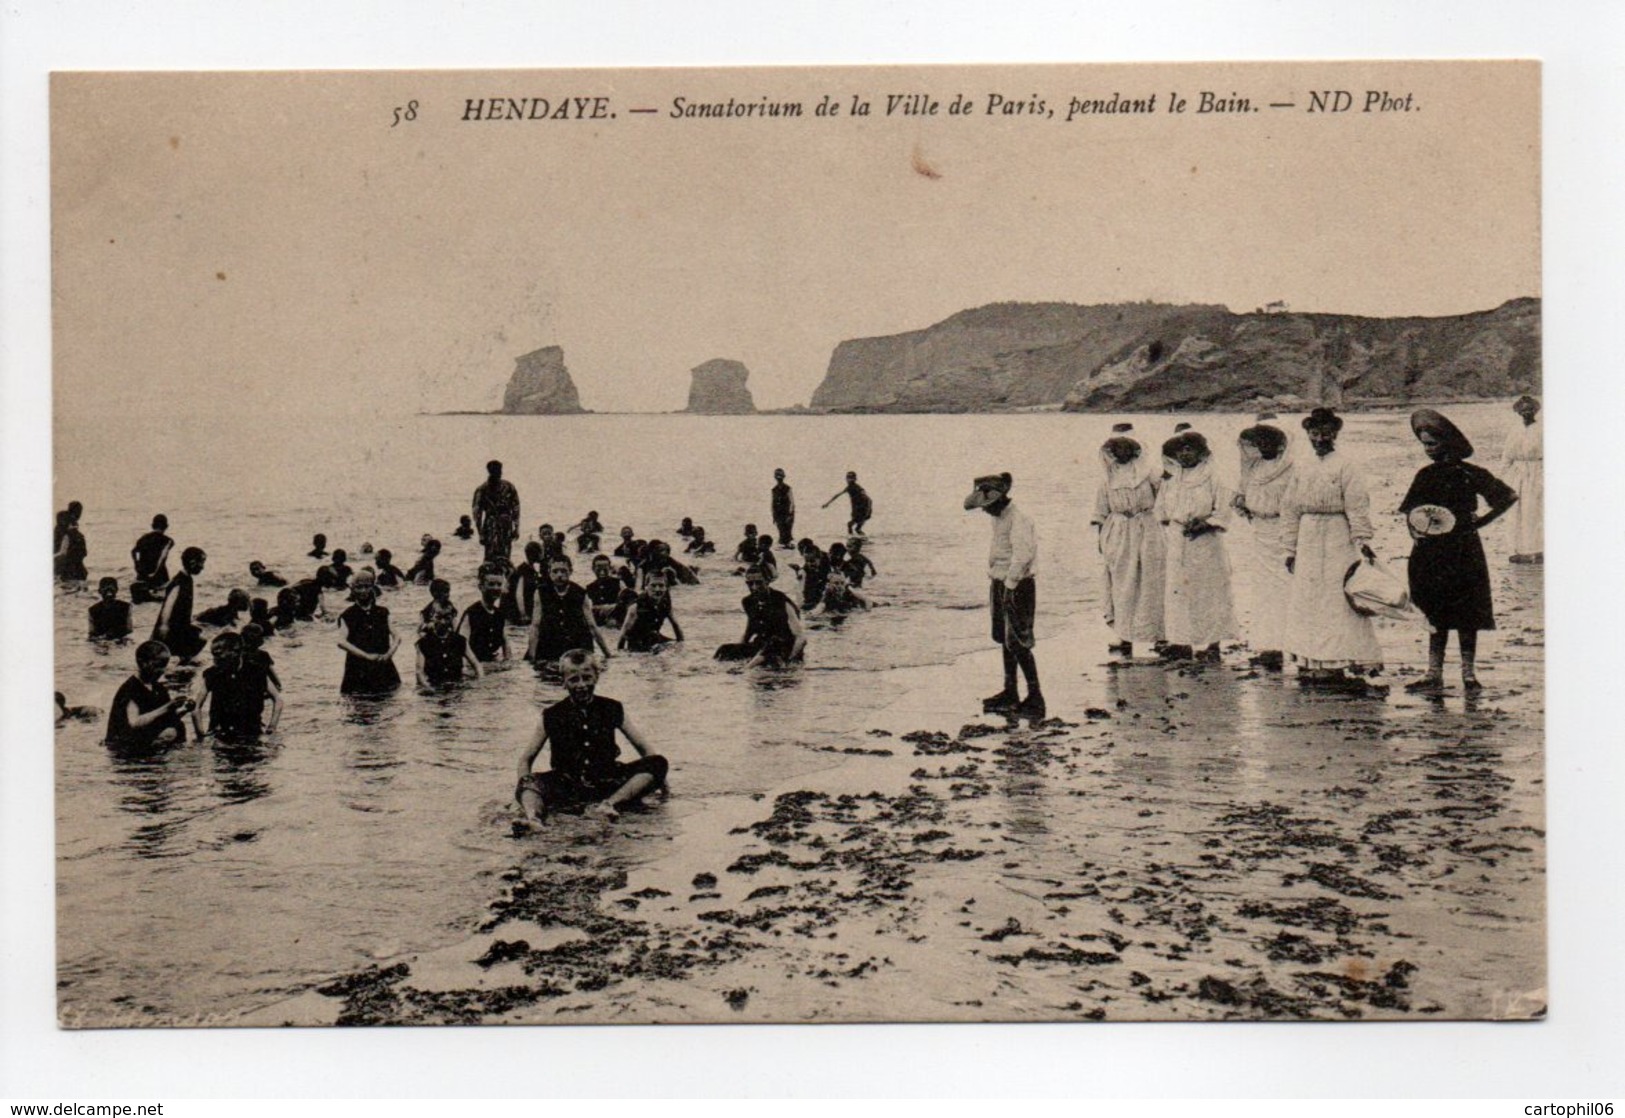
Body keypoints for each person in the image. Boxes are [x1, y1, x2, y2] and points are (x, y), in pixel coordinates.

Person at [1399, 409, 1519, 693]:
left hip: (1464, 550)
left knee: (1468, 614)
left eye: (1432, 444)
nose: (1428, 450)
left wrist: (1482, 521)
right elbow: (1411, 511)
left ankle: (1468, 674)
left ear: (1449, 442)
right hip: (1430, 552)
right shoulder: (1424, 474)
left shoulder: (1471, 473)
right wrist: (1414, 530)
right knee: (1434, 612)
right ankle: (1433, 673)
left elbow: (1508, 496)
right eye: (1424, 444)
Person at [1279, 408, 1384, 686]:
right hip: (1309, 536)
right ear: (1308, 434)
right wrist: (1290, 549)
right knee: (1308, 597)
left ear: (1335, 434)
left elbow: (1357, 505)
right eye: (1315, 433)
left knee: (1337, 597)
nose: (1320, 438)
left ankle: (1340, 659)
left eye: (1326, 432)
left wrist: (1362, 540)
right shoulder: (1301, 466)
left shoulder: (1346, 465)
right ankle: (1311, 659)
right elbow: (1289, 508)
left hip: (1339, 535)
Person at [514, 649, 670, 826]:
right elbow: (525, 760)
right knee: (529, 782)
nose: (581, 685)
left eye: (587, 678)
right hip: (566, 785)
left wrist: (662, 783)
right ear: (563, 682)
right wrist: (521, 793)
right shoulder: (551, 714)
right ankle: (533, 818)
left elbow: (643, 748)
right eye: (574, 679)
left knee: (658, 762)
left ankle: (609, 805)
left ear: (597, 677)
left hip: (608, 781)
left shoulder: (612, 707)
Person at [963, 472, 1043, 716]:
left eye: (987, 506)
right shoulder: (998, 518)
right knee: (1004, 639)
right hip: (1000, 582)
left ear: (1000, 499)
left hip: (1017, 585)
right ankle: (1011, 691)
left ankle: (1035, 697)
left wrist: (1010, 585)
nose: (985, 511)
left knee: (1018, 641)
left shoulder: (1019, 519)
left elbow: (1023, 556)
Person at [1155, 433, 1235, 664]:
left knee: (1208, 590)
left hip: (1206, 541)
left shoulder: (1214, 476)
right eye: (1180, 450)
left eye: (1190, 449)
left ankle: (1213, 642)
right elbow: (1161, 509)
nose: (1184, 454)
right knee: (1177, 591)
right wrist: (1172, 524)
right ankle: (1181, 641)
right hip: (1178, 539)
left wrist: (1206, 523)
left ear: (1201, 452)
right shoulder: (1171, 479)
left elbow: (1223, 509)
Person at [1090, 434, 1165, 659]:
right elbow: (1101, 511)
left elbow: (1166, 498)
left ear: (1134, 449)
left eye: (1126, 447)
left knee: (1152, 580)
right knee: (1122, 583)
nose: (1121, 451)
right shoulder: (1107, 478)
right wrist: (1101, 539)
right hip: (1119, 531)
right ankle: (1124, 635)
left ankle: (1160, 634)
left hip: (1148, 528)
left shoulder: (1149, 473)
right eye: (1117, 447)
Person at [1234, 423, 1295, 671]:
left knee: (1286, 588)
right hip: (1260, 532)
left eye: (1269, 442)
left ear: (1281, 444)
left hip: (1283, 530)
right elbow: (1241, 496)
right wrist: (1245, 505)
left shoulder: (1292, 469)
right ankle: (1269, 646)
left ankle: (1291, 645)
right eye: (1259, 443)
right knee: (1264, 590)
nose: (1263, 447)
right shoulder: (1254, 468)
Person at [190, 631, 282, 741]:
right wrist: (200, 734)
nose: (215, 660)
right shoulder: (212, 674)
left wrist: (272, 726)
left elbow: (277, 700)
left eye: (219, 655)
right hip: (220, 732)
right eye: (213, 655)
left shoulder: (256, 671)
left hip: (251, 730)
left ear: (236, 652)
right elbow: (196, 707)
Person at [526, 556, 613, 671]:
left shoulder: (580, 592)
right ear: (549, 572)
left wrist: (608, 654)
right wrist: (532, 656)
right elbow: (535, 625)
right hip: (550, 643)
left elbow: (592, 625)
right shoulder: (541, 592)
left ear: (571, 572)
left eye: (563, 571)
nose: (559, 575)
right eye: (555, 571)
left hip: (576, 643)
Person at [713, 565, 806, 668]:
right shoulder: (748, 601)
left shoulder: (780, 600)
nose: (754, 587)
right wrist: (740, 648)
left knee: (774, 642)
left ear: (768, 581)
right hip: (761, 646)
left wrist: (790, 660)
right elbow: (749, 631)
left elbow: (800, 637)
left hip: (781, 647)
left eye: (759, 583)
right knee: (724, 649)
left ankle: (746, 669)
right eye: (750, 583)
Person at [104, 640, 190, 750]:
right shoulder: (131, 688)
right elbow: (134, 723)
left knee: (178, 726)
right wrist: (168, 706)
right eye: (158, 666)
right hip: (125, 745)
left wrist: (183, 709)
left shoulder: (158, 688)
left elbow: (165, 718)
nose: (162, 671)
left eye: (164, 666)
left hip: (148, 739)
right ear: (142, 663)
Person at [336, 569, 401, 695]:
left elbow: (397, 636)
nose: (363, 591)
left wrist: (389, 654)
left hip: (383, 665)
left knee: (388, 705)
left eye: (367, 587)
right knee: (359, 706)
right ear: (353, 589)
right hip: (358, 669)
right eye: (359, 587)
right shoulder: (348, 615)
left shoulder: (383, 612)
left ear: (372, 587)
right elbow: (341, 642)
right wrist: (366, 656)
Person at [1500, 395, 1543, 563]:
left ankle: (1538, 549)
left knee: (1534, 511)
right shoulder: (1515, 430)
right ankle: (1517, 549)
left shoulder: (1541, 430)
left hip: (1537, 473)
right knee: (1516, 511)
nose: (1526, 413)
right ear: (1518, 412)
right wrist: (1500, 478)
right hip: (1518, 474)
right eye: (1523, 410)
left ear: (1535, 411)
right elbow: (1506, 456)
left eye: (1530, 410)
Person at [152, 546, 207, 662]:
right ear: (192, 563)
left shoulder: (185, 579)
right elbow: (167, 609)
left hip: (178, 629)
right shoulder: (180, 582)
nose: (202, 567)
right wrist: (162, 634)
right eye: (201, 563)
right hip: (171, 631)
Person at [417, 603, 483, 688]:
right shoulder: (424, 643)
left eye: (447, 618)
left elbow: (476, 664)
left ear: (452, 618)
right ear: (431, 617)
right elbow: (419, 672)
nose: (443, 622)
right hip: (435, 687)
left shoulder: (459, 640)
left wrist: (479, 682)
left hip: (457, 685)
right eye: (438, 617)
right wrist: (428, 688)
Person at [619, 572, 685, 652]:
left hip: (654, 638)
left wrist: (681, 644)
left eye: (661, 585)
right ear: (646, 587)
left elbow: (675, 625)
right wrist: (621, 653)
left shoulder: (665, 604)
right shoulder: (636, 607)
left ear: (666, 588)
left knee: (675, 647)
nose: (657, 589)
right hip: (638, 643)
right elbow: (623, 634)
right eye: (653, 586)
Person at [472, 460, 522, 563]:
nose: (499, 473)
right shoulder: (482, 489)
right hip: (491, 523)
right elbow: (477, 513)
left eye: (500, 470)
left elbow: (516, 507)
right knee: (490, 554)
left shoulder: (508, 487)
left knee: (506, 554)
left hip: (506, 523)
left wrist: (516, 527)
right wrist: (480, 533)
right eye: (496, 470)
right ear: (490, 471)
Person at [459, 571, 511, 663]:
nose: (495, 588)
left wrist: (507, 662)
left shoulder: (499, 615)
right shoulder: (471, 613)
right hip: (472, 663)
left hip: (493, 662)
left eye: (499, 584)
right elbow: (461, 644)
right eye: (491, 584)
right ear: (481, 587)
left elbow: (505, 642)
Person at [130, 515, 174, 602]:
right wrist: (154, 573)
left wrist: (137, 566)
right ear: (166, 526)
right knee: (161, 598)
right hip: (160, 574)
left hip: (143, 573)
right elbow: (162, 558)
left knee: (143, 597)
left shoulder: (143, 539)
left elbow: (134, 552)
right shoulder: (168, 541)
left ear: (152, 525)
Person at [585, 554, 636, 628]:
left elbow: (630, 599)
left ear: (609, 568)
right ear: (593, 569)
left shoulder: (618, 583)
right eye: (599, 568)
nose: (602, 572)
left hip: (616, 615)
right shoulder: (590, 587)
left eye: (605, 569)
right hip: (600, 618)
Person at [822, 471, 873, 536]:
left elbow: (867, 498)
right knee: (856, 528)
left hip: (862, 509)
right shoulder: (849, 487)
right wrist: (827, 503)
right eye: (848, 478)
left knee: (851, 525)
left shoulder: (857, 487)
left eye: (851, 478)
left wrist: (868, 510)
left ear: (855, 479)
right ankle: (858, 537)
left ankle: (851, 537)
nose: (849, 480)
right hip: (857, 509)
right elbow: (837, 495)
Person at [506, 541, 545, 624]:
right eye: (541, 552)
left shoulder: (530, 570)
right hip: (518, 615)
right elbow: (519, 595)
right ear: (536, 554)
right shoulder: (522, 571)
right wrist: (523, 615)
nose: (543, 554)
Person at [87, 576, 133, 641]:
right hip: (109, 640)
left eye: (111, 588)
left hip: (116, 640)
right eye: (105, 588)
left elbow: (129, 630)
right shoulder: (126, 606)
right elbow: (129, 630)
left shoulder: (126, 607)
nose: (108, 591)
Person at [791, 538, 831, 611]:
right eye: (807, 561)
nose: (809, 563)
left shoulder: (825, 559)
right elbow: (804, 582)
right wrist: (798, 571)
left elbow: (826, 579)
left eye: (812, 561)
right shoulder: (809, 562)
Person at [54, 509, 88, 581]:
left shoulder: (66, 536)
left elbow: (63, 553)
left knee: (68, 590)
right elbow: (84, 553)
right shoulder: (80, 535)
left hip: (69, 571)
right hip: (81, 571)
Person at [771, 469, 796, 547]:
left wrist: (790, 514)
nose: (779, 479)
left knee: (787, 531)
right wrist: (773, 515)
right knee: (781, 530)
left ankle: (787, 544)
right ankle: (783, 544)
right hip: (778, 513)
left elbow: (792, 502)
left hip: (787, 512)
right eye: (778, 477)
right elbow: (772, 503)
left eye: (780, 477)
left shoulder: (788, 488)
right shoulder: (774, 490)